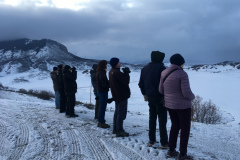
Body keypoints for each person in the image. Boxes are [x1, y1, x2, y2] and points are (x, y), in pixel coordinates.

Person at [159, 54, 195, 160]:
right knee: (185, 129)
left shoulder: (164, 72)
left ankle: (171, 150)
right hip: (183, 107)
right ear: (181, 63)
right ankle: (183, 154)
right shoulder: (182, 74)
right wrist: (193, 97)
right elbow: (186, 93)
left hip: (169, 105)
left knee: (175, 126)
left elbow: (161, 90)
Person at [138, 51, 168, 148]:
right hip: (161, 97)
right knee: (162, 120)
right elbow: (166, 84)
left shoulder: (144, 69)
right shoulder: (163, 69)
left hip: (150, 97)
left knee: (152, 118)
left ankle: (151, 139)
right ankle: (164, 142)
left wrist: (145, 94)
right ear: (160, 58)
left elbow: (140, 84)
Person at [109, 57, 131, 137]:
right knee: (121, 113)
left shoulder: (111, 71)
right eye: (118, 62)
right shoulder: (116, 73)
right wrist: (126, 73)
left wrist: (124, 73)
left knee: (117, 113)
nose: (120, 63)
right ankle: (119, 130)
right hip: (121, 95)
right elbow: (126, 82)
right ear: (115, 64)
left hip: (116, 95)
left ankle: (115, 129)